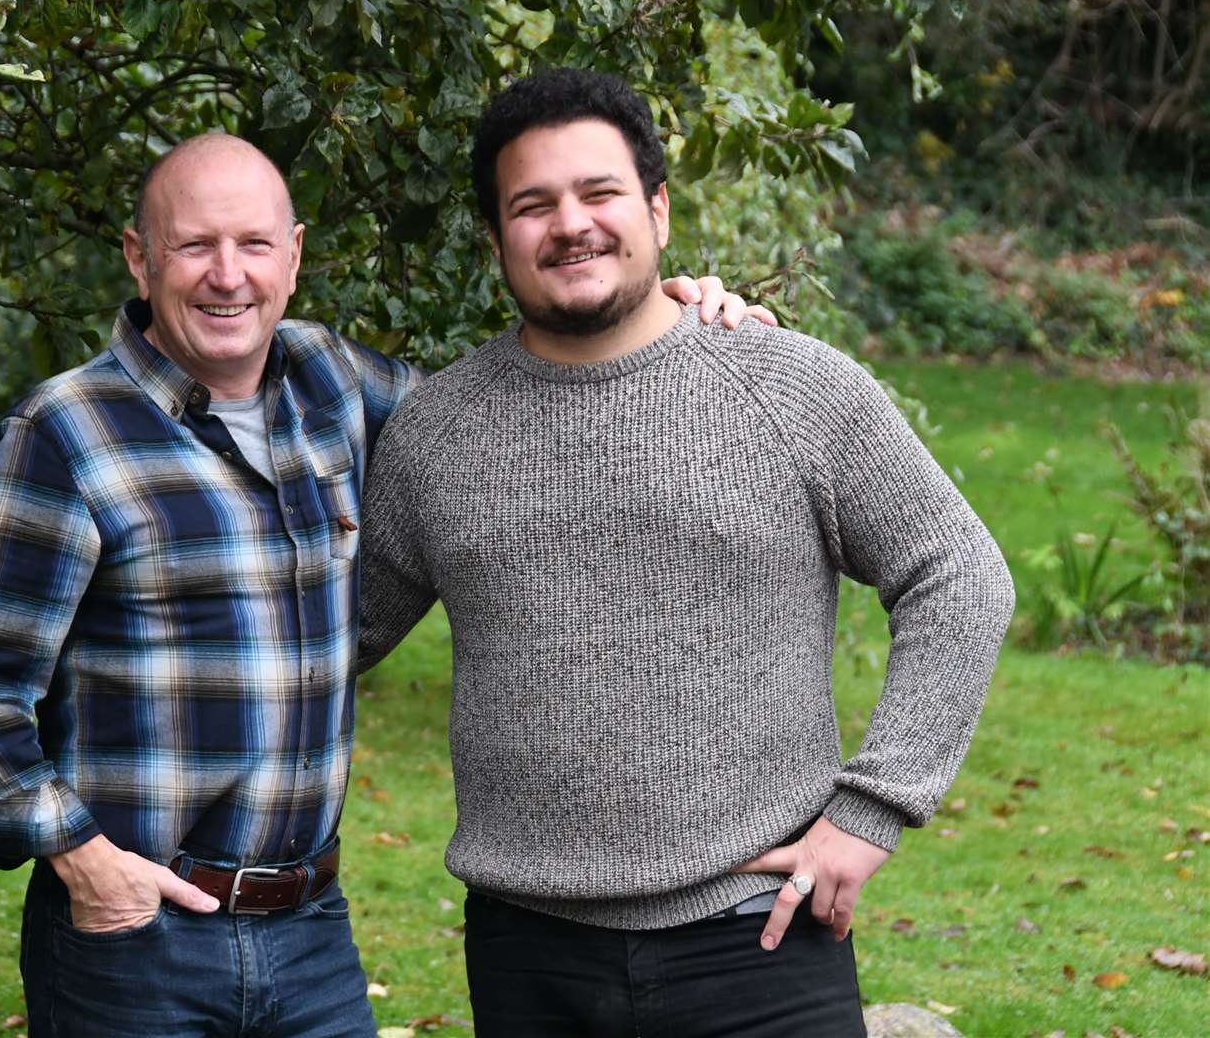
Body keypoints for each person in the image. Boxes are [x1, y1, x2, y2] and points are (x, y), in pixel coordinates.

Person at [0, 131, 767, 1037]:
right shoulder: (67, 434)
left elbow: (508, 417)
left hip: (309, 930)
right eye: (195, 246)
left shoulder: (337, 383)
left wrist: (656, 319)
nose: (227, 276)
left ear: (294, 254)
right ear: (140, 256)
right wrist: (81, 859)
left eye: (254, 245)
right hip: (136, 936)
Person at [355, 69, 1017, 1037]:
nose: (569, 224)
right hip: (526, 954)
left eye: (599, 193)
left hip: (758, 941)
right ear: (496, 239)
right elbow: (326, 640)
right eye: (531, 205)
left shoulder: (789, 388)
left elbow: (958, 576)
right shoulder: (435, 435)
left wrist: (871, 814)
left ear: (658, 210)